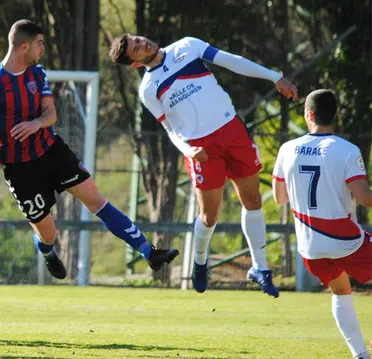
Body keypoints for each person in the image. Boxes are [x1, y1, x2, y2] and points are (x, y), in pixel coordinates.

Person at [0, 19, 179, 283]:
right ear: (24, 46)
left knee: (96, 201)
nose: (42, 49)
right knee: (49, 233)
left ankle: (149, 252)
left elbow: (51, 114)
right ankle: (47, 251)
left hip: (52, 151)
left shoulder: (37, 73)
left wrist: (36, 123)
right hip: (20, 169)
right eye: (39, 44)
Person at [109, 34, 299, 297]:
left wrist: (273, 77)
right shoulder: (148, 89)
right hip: (201, 149)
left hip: (232, 130)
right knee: (210, 216)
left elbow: (233, 62)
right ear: (134, 63)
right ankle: (200, 261)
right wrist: (188, 150)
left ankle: (260, 268)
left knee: (253, 200)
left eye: (138, 39)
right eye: (136, 48)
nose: (143, 44)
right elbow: (170, 129)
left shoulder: (187, 46)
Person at [272, 89, 372, 359]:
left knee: (341, 291)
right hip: (344, 240)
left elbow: (280, 198)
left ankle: (360, 354)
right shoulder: (346, 150)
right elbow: (365, 198)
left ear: (309, 114)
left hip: (310, 247)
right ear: (334, 115)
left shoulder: (287, 149)